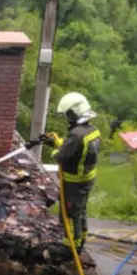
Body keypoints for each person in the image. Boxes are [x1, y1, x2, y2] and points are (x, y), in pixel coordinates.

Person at [40, 92, 100, 252]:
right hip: (86, 180)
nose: (67, 117)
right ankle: (81, 240)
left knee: (69, 213)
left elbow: (63, 157)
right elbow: (73, 149)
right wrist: (55, 142)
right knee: (80, 211)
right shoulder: (91, 130)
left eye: (68, 114)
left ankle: (69, 248)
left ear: (74, 112)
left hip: (74, 183)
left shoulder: (76, 135)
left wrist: (54, 152)